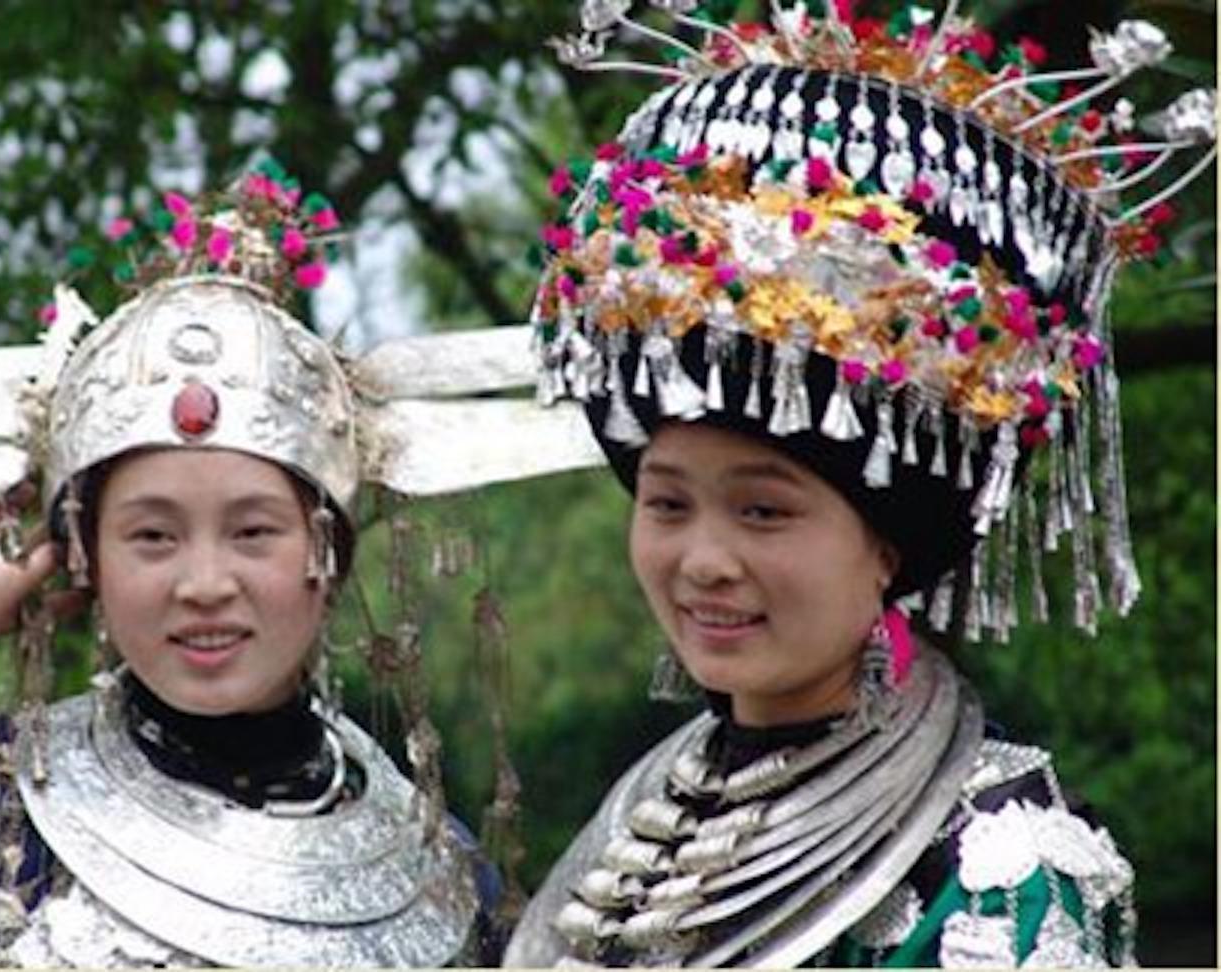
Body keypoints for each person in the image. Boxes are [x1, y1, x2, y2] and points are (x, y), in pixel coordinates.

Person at [0, 162, 600, 967]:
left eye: (255, 532)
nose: (205, 582)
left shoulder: (443, 885)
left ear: (327, 554)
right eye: (152, 536)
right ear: (86, 559)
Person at [505, 2, 1212, 966]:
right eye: (667, 501)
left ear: (888, 542)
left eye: (764, 509)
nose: (703, 560)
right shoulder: (645, 808)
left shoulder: (1001, 869)